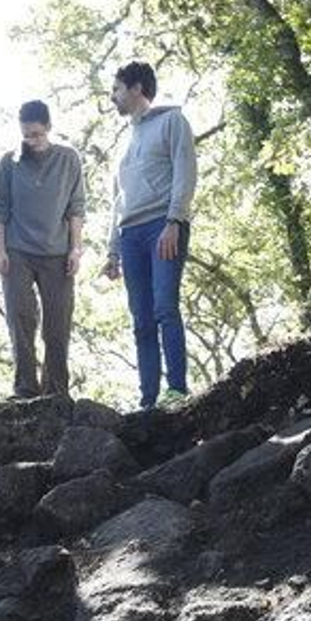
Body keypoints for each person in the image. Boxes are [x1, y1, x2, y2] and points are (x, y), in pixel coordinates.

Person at [102, 60, 197, 410]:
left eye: (116, 89)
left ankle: (177, 390)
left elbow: (185, 171)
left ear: (136, 88)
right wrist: (112, 251)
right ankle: (148, 400)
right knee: (140, 318)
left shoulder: (172, 121)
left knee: (164, 307)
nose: (113, 97)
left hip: (163, 226)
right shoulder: (123, 143)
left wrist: (175, 221)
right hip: (131, 235)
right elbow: (117, 200)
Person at [0, 99, 87, 398]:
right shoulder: (9, 162)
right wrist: (0, 251)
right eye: (26, 135)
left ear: (48, 128)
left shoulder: (68, 159)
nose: (31, 140)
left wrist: (76, 249)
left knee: (57, 323)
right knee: (21, 317)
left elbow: (76, 208)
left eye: (36, 135)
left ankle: (56, 391)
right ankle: (25, 388)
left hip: (57, 252)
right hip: (17, 252)